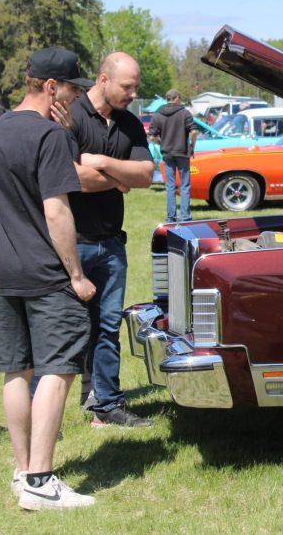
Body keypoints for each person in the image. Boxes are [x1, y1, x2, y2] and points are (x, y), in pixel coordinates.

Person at [0, 47, 97, 510]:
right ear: (50, 87)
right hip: (48, 272)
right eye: (72, 88)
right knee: (58, 370)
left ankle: (22, 471)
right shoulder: (49, 135)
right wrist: (76, 274)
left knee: (17, 369)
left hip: (7, 268)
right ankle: (40, 479)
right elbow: (56, 209)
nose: (75, 96)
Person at [68, 52, 154, 427]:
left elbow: (146, 175)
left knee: (106, 326)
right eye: (127, 86)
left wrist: (101, 163)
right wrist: (121, 179)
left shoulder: (130, 123)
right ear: (103, 79)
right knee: (69, 327)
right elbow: (70, 176)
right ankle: (49, 408)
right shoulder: (70, 116)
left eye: (135, 86)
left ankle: (107, 404)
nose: (133, 93)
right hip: (72, 241)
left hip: (111, 244)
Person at [148, 89, 198, 222]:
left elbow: (151, 136)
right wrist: (192, 145)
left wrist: (161, 142)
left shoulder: (158, 115)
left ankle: (171, 217)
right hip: (182, 152)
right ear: (176, 98)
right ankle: (185, 217)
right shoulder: (185, 113)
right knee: (184, 185)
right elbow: (194, 132)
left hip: (167, 153)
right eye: (179, 98)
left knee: (170, 186)